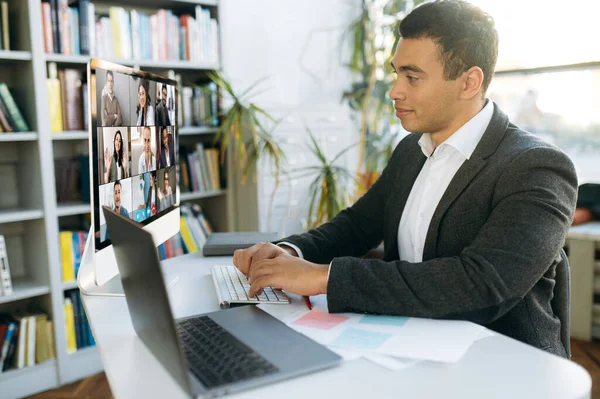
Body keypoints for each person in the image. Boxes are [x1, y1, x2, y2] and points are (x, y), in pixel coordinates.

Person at [232, 0, 578, 358]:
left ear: (469, 82)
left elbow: (484, 285)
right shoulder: (412, 149)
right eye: (397, 73)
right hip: (409, 346)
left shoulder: (538, 167)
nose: (395, 91)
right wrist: (289, 253)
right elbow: (356, 225)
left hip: (506, 366)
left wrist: (322, 277)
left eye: (412, 77)